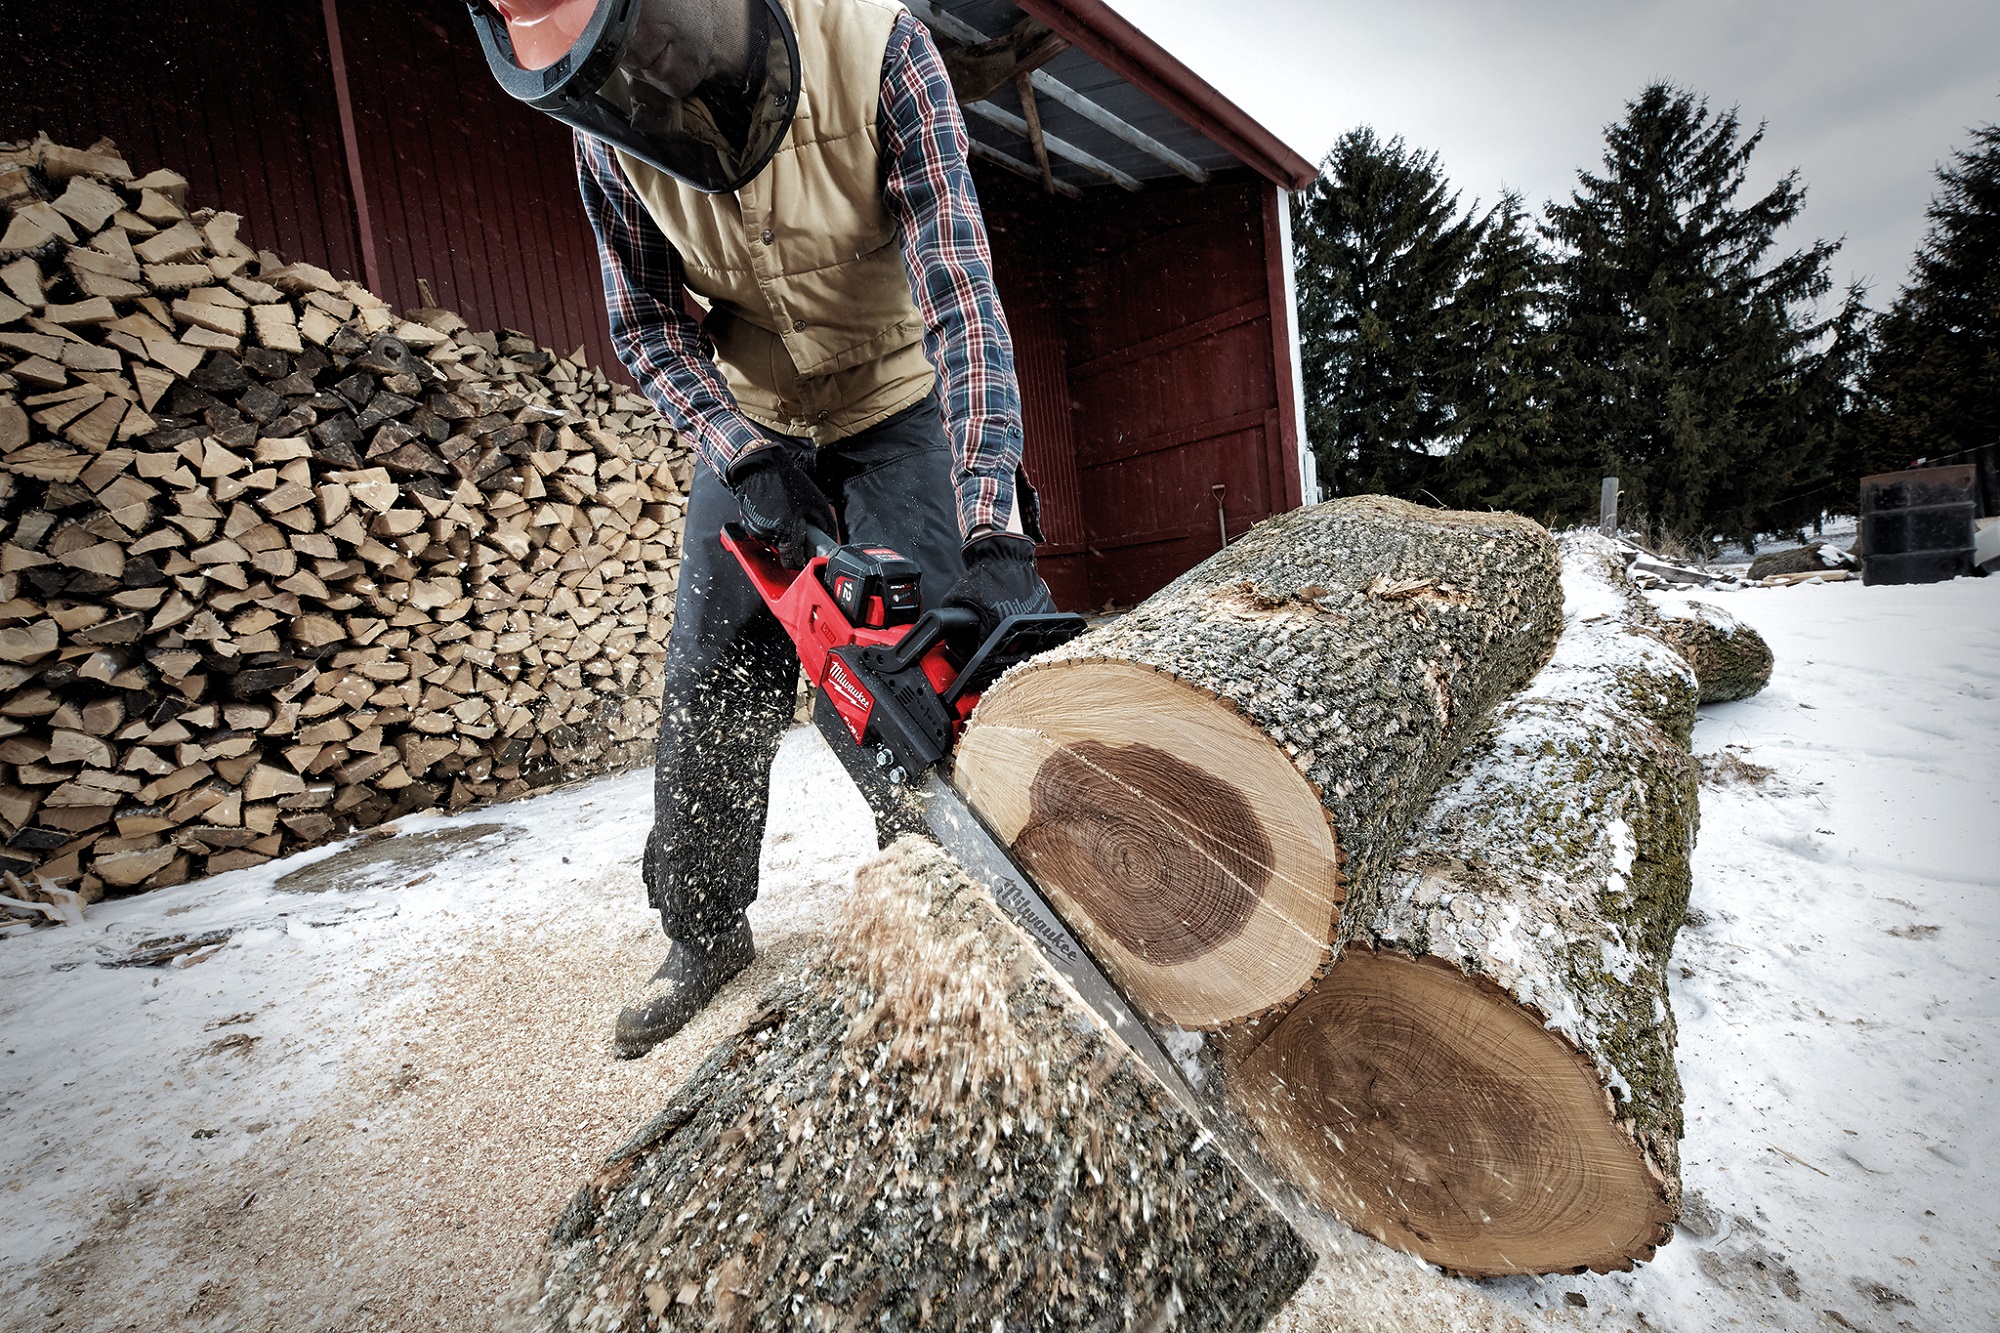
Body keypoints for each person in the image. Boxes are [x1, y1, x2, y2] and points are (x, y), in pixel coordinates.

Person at [469, 0, 1057, 1057]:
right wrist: (739, 449)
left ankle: (963, 912)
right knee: (709, 688)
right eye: (610, 71)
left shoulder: (878, 49)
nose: (641, 74)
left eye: (645, 41)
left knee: (922, 678)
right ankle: (700, 930)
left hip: (897, 398)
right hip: (756, 420)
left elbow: (962, 300)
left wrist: (991, 528)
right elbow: (645, 327)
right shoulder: (606, 141)